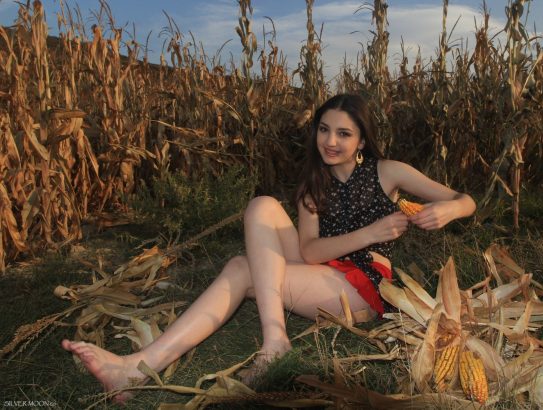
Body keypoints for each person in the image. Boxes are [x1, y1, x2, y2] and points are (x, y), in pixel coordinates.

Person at [61, 93, 476, 402]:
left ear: (362, 141)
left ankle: (145, 366)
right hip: (322, 267)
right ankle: (262, 340)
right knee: (261, 205)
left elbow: (465, 200)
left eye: (344, 133)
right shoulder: (314, 186)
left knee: (241, 269)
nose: (330, 141)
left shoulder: (389, 173)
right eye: (324, 129)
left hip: (363, 286)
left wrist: (449, 210)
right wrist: (371, 231)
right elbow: (310, 251)